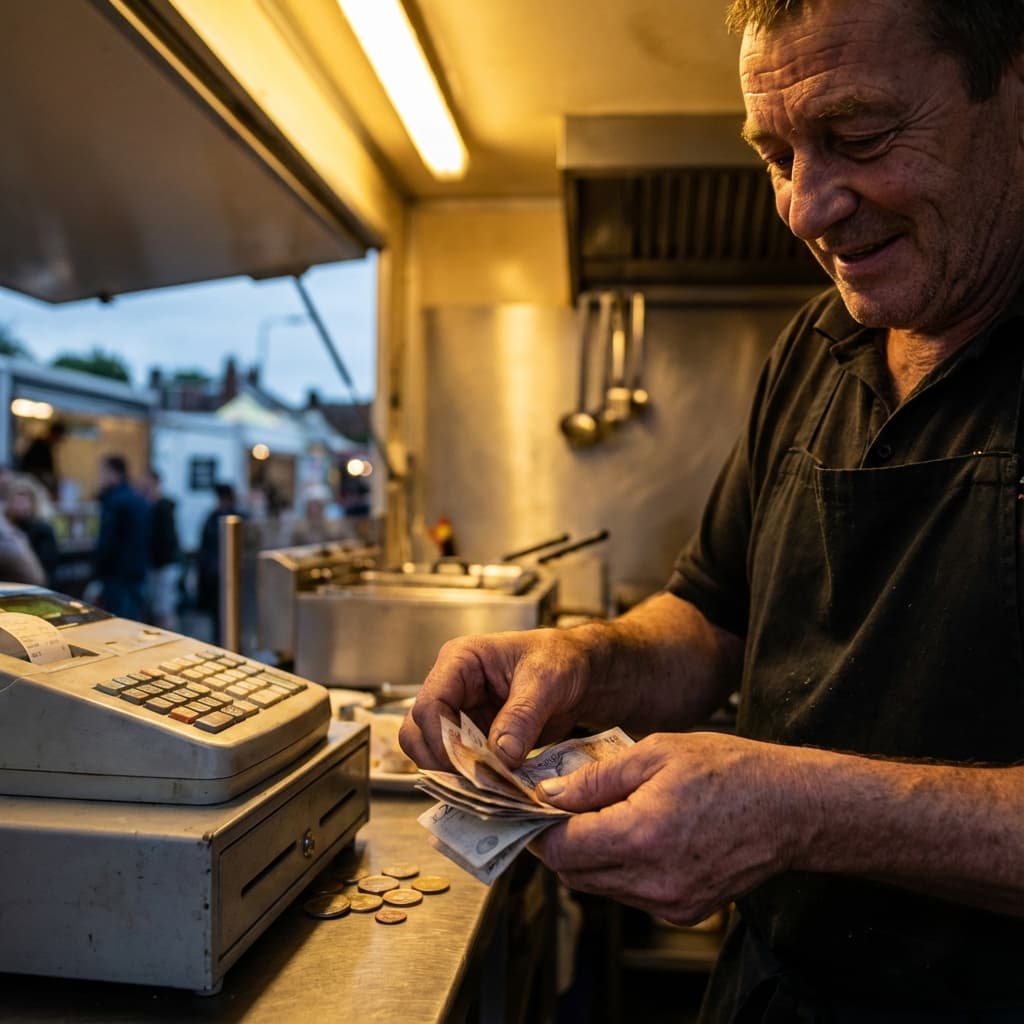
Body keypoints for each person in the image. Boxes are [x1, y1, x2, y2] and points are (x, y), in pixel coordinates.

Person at [401, 1, 1024, 1018]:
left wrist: (804, 814)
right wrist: (590, 660)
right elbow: (706, 620)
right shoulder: (815, 347)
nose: (805, 208)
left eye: (857, 138)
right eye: (775, 155)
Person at [94, 455, 150, 619]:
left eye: (103, 473)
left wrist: (97, 568)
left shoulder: (114, 502)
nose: (100, 478)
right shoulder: (138, 499)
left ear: (113, 473)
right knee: (134, 620)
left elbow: (107, 541)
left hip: (116, 573)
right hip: (137, 570)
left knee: (118, 621)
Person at [196, 482, 243, 642]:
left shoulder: (227, 518)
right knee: (219, 617)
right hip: (217, 576)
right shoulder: (214, 518)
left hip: (225, 575)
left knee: (230, 616)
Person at [139, 467, 180, 630]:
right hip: (156, 564)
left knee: (164, 608)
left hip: (163, 564)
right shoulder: (149, 504)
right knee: (157, 607)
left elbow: (167, 538)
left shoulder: (163, 507)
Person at [5, 478, 59, 587]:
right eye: (16, 501)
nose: (19, 505)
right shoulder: (6, 527)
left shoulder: (42, 530)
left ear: (33, 502)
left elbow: (48, 568)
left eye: (24, 501)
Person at [16, 420, 67, 499]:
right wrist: (47, 477)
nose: (58, 442)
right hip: (32, 484)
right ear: (54, 434)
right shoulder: (39, 446)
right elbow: (30, 466)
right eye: (59, 438)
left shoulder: (47, 448)